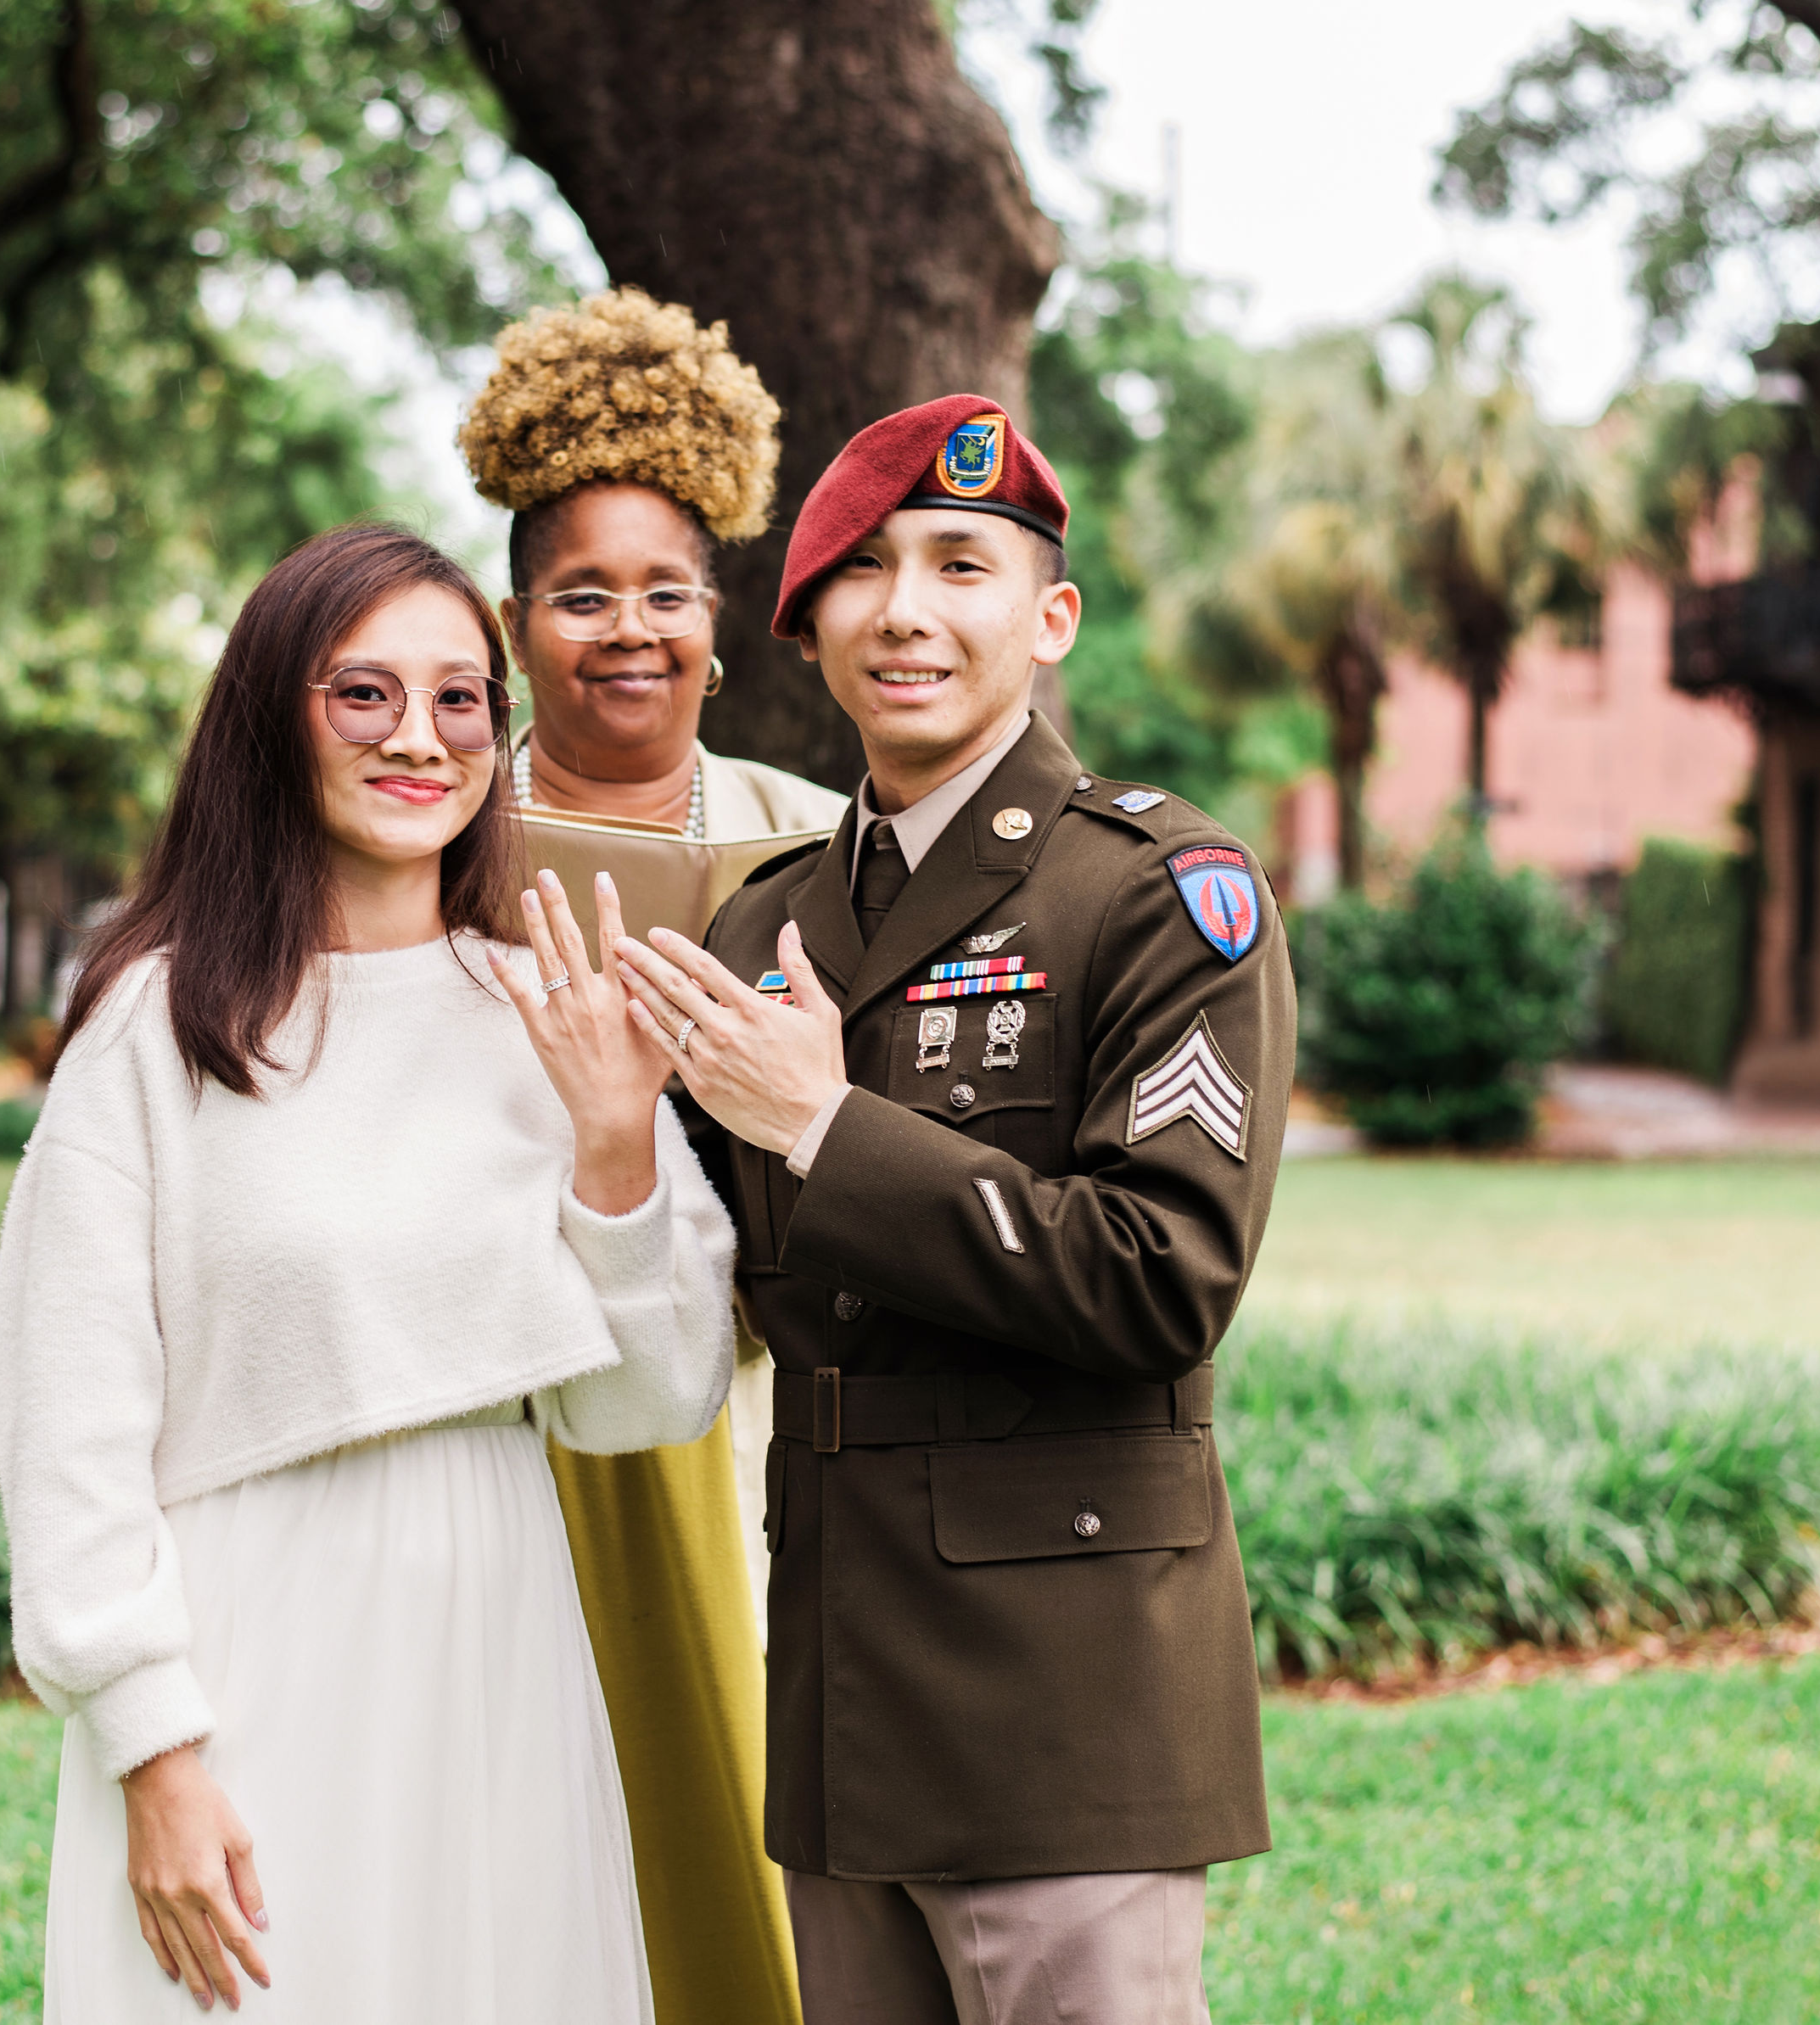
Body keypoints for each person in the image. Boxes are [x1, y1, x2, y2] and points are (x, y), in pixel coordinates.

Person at [0, 523, 738, 2022]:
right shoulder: (159, 1026)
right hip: (249, 1650)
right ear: (278, 718)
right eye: (364, 696)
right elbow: (67, 1434)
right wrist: (155, 1750)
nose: (421, 738)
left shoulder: (551, 1012)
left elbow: (654, 1402)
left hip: (503, 1640)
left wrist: (614, 1149)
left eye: (462, 698)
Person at [609, 396, 1291, 2025]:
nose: (907, 608)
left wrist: (824, 1127)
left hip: (1062, 1696)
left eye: (960, 564)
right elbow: (714, 1286)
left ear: (1046, 617)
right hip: (841, 1695)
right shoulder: (770, 915)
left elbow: (1160, 1279)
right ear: (811, 629)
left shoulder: (1154, 893)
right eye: (864, 572)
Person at [456, 288, 843, 2025]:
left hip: (715, 1402)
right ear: (519, 621)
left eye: (666, 593)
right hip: (470, 1390)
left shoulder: (813, 840)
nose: (630, 631)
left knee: (716, 1822)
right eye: (583, 595)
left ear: (722, 617)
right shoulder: (435, 831)